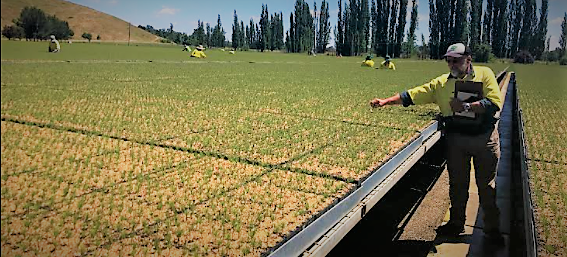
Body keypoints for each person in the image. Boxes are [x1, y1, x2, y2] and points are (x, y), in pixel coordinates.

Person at [369, 43, 504, 244]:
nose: (452, 64)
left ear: (468, 59)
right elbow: (413, 95)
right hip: (456, 139)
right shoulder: (441, 83)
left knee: (486, 186)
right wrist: (386, 101)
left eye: (456, 60)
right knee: (457, 185)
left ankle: (492, 230)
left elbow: (493, 103)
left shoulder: (484, 74)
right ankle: (456, 224)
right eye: (448, 60)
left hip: (484, 139)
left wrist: (467, 106)